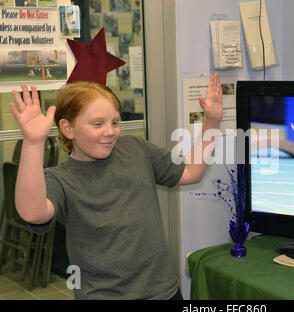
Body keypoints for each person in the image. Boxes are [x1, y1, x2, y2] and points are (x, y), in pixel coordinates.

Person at [10, 73, 223, 299]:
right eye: (98, 124)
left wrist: (212, 122)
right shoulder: (60, 179)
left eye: (115, 122)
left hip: (164, 293)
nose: (110, 131)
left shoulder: (136, 149)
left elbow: (191, 171)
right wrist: (33, 142)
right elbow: (33, 212)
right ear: (68, 128)